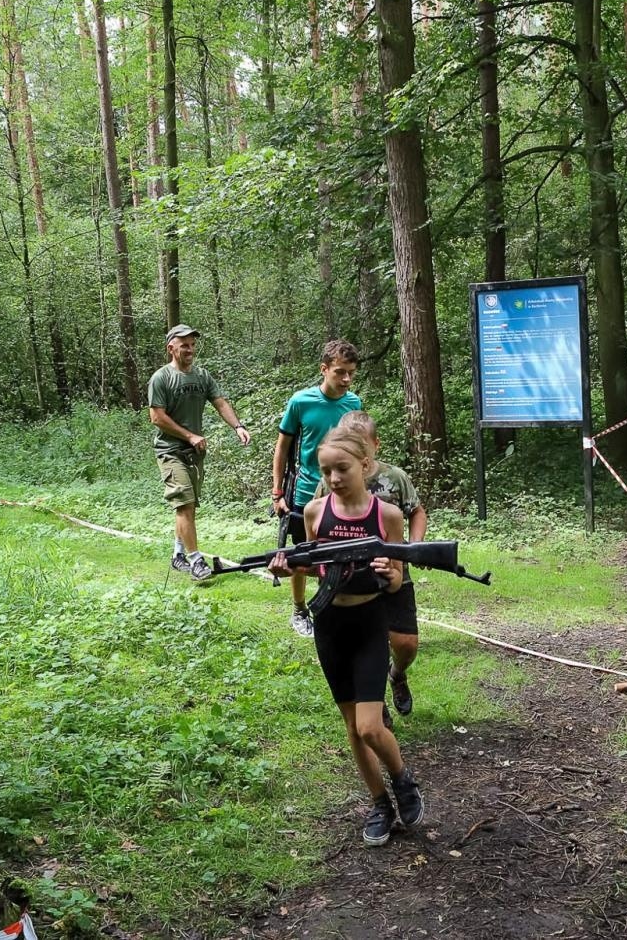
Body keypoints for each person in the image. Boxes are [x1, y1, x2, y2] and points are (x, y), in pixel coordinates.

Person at [269, 426, 425, 846]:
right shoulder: (314, 512)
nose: (334, 478)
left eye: (342, 468)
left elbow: (396, 581)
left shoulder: (386, 516)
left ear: (365, 465)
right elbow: (314, 566)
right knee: (353, 728)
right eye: (326, 471)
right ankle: (380, 804)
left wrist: (390, 573)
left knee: (371, 727)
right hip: (330, 626)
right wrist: (288, 566)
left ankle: (402, 780)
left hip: (370, 622)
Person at [314, 411, 427, 719]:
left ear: (374, 446)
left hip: (391, 572)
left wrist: (413, 548)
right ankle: (373, 703)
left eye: (360, 443)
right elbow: (318, 524)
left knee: (406, 643)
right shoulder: (331, 481)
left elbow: (416, 512)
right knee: (362, 645)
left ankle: (397, 675)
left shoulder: (395, 477)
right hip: (350, 583)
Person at [273, 339, 362, 637]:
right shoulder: (301, 401)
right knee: (302, 554)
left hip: (342, 493)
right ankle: (299, 609)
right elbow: (282, 448)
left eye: (351, 373)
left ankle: (340, 608)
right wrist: (277, 492)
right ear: (324, 369)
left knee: (342, 553)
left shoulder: (354, 403)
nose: (346, 379)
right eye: (340, 372)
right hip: (305, 492)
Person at [147, 324, 250, 581]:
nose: (190, 349)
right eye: (184, 345)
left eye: (192, 345)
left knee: (188, 506)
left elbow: (220, 402)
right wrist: (190, 435)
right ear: (171, 348)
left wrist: (238, 426)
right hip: (170, 451)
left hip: (194, 453)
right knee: (184, 503)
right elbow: (157, 417)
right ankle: (195, 561)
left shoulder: (202, 376)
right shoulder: (161, 378)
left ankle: (178, 554)